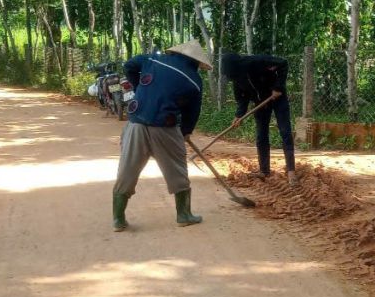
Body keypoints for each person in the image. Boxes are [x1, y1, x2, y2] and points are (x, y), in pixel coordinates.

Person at [112, 40, 212, 232]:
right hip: (165, 128)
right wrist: (185, 132)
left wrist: (140, 88)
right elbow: (192, 113)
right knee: (177, 170)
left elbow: (129, 66)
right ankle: (184, 215)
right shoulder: (194, 80)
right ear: (195, 62)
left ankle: (118, 219)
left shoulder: (152, 60)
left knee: (127, 169)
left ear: (176, 53)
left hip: (136, 123)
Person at [221, 53, 298, 186]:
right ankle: (264, 170)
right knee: (261, 134)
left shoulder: (257, 61)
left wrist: (277, 87)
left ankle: (291, 171)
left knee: (285, 132)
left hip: (277, 97)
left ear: (239, 66)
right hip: (260, 102)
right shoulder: (236, 78)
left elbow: (283, 63)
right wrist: (239, 115)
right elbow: (242, 98)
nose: (234, 78)